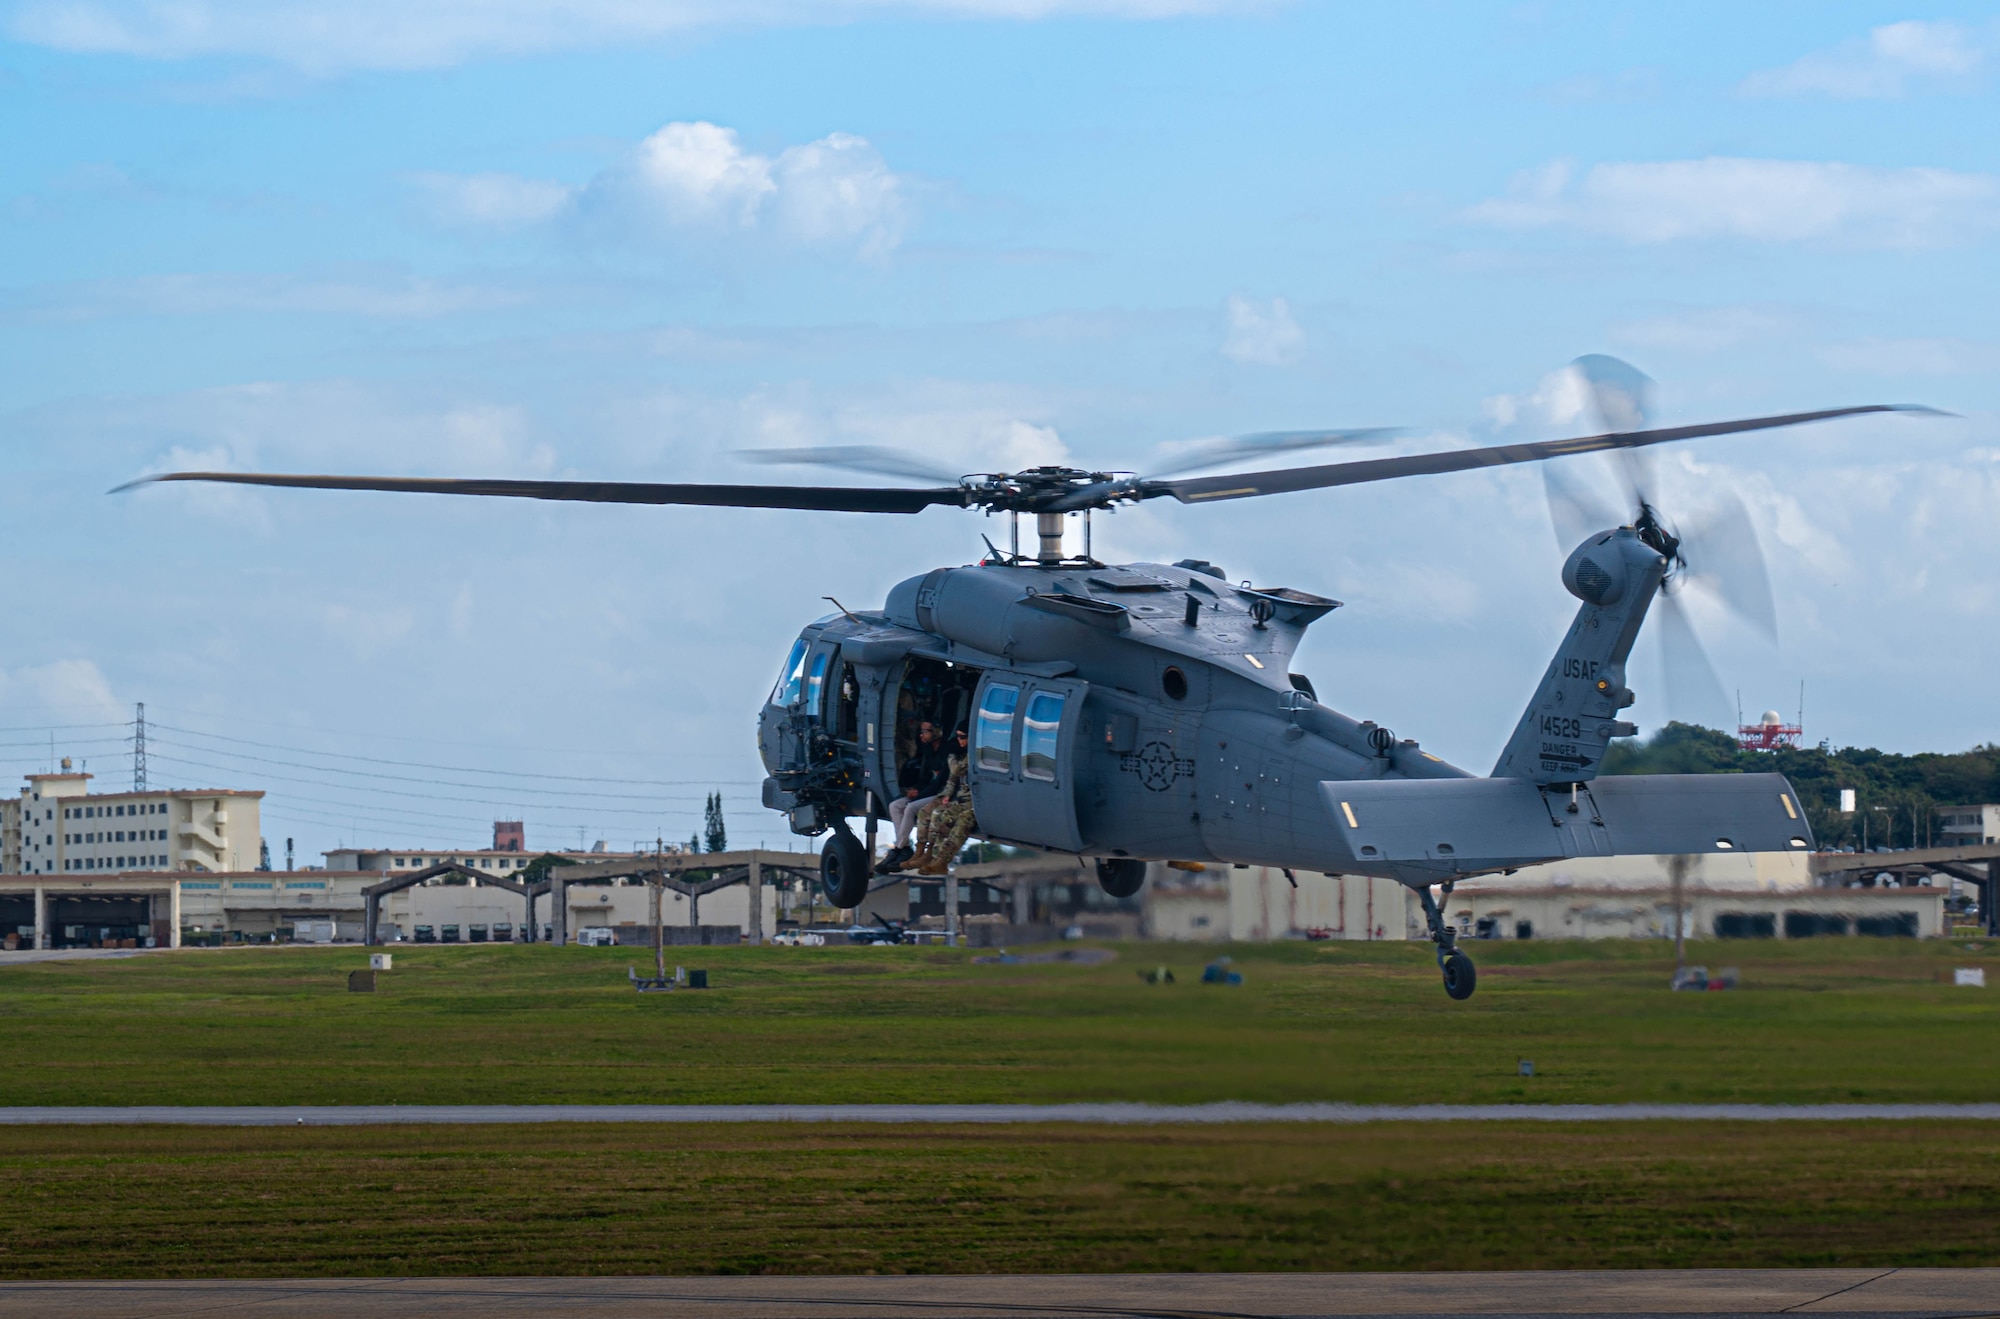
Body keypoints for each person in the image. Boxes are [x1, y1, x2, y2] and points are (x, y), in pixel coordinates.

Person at [878, 720, 946, 874]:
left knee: (910, 808)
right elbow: (925, 777)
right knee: (894, 806)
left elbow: (940, 782)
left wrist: (919, 796)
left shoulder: (946, 751)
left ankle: (898, 849)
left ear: (936, 732)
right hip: (925, 792)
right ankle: (905, 848)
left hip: (940, 794)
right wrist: (915, 790)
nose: (922, 735)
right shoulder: (928, 751)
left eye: (926, 731)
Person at [912, 728, 976, 876]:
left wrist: (951, 758)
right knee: (939, 815)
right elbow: (952, 780)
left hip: (976, 803)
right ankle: (932, 856)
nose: (960, 740)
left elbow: (958, 771)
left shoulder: (971, 755)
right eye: (958, 737)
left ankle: (942, 861)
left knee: (964, 820)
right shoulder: (962, 754)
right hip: (962, 800)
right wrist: (947, 794)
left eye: (963, 737)